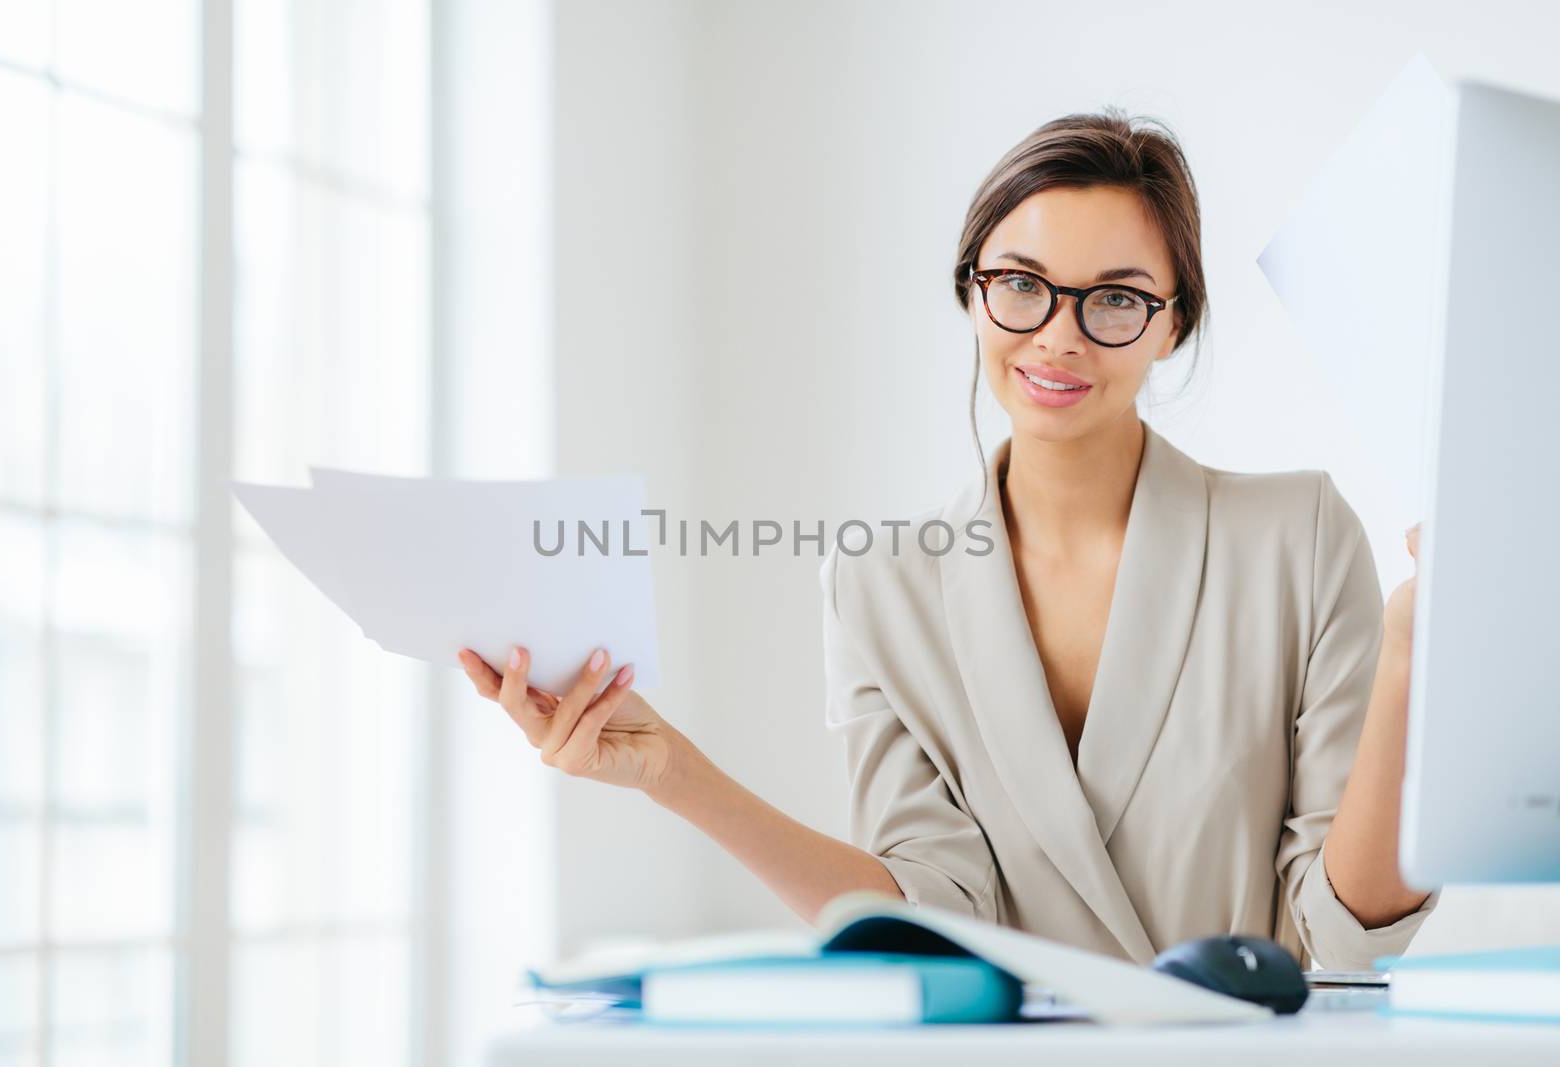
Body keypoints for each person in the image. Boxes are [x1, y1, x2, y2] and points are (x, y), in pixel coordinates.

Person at [456, 109, 1438, 970]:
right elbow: (926, 916)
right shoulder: (878, 584)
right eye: (1021, 283)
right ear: (972, 292)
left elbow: (1343, 928)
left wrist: (1407, 652)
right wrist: (671, 769)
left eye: (1115, 298)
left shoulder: (1296, 535)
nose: (1057, 335)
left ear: (1169, 326)